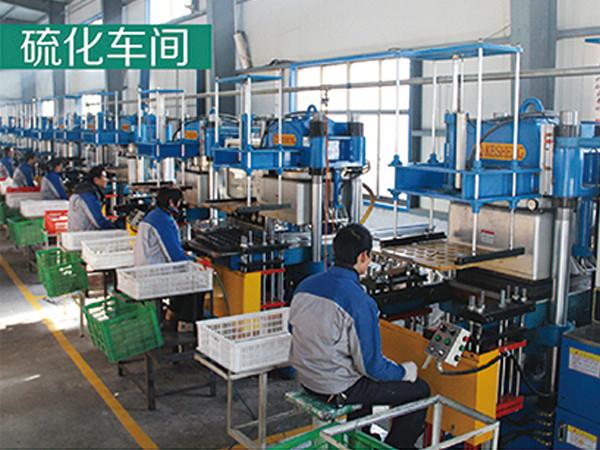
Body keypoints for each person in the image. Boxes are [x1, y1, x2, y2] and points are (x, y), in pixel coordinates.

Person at [289, 223, 430, 450]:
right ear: (363, 256)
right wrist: (405, 371)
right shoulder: (360, 302)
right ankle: (396, 446)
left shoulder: (305, 285)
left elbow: (292, 328)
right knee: (419, 391)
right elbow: (372, 366)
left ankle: (362, 437)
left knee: (360, 379)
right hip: (335, 388)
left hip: (306, 379)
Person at [134, 187, 202, 323]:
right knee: (197, 282)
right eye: (179, 202)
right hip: (155, 273)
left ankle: (171, 314)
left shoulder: (153, 215)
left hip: (145, 268)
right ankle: (186, 324)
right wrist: (195, 261)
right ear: (171, 202)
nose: (180, 206)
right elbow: (175, 258)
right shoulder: (163, 220)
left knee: (183, 277)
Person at [67, 166, 115, 231]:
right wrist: (115, 225)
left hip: (79, 233)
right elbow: (99, 222)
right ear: (96, 180)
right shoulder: (88, 195)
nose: (107, 180)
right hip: (84, 234)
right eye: (104, 177)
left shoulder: (83, 191)